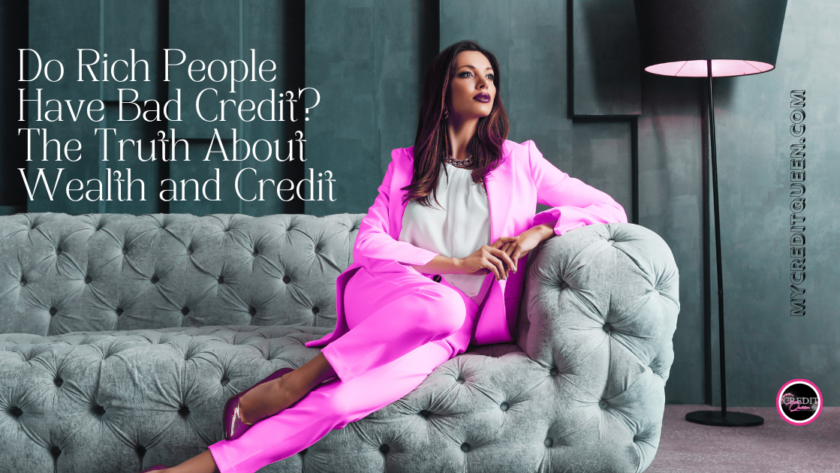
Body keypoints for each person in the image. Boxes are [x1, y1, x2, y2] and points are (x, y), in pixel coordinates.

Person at [145, 39, 627, 473]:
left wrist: (534, 233)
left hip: (450, 331)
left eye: (490, 76)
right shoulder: (407, 164)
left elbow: (610, 209)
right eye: (467, 73)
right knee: (442, 302)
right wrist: (456, 264)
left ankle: (194, 470)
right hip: (384, 293)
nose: (484, 84)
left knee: (340, 405)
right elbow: (369, 245)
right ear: (444, 88)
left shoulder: (520, 161)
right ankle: (293, 383)